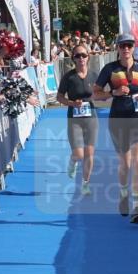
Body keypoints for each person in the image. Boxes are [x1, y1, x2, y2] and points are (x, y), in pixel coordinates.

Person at [93, 33, 138, 224]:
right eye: (122, 46)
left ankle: (137, 206)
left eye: (129, 45)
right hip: (118, 118)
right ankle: (123, 195)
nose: (126, 49)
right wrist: (114, 92)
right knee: (125, 163)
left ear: (133, 47)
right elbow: (96, 94)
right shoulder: (110, 69)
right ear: (118, 48)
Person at [57, 44, 98, 195]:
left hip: (91, 117)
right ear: (73, 58)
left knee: (89, 153)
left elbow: (101, 93)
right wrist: (72, 103)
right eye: (77, 56)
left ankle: (86, 184)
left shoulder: (94, 75)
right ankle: (73, 161)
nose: (81, 58)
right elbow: (59, 97)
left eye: (84, 55)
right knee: (79, 154)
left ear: (88, 57)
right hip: (74, 118)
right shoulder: (68, 77)